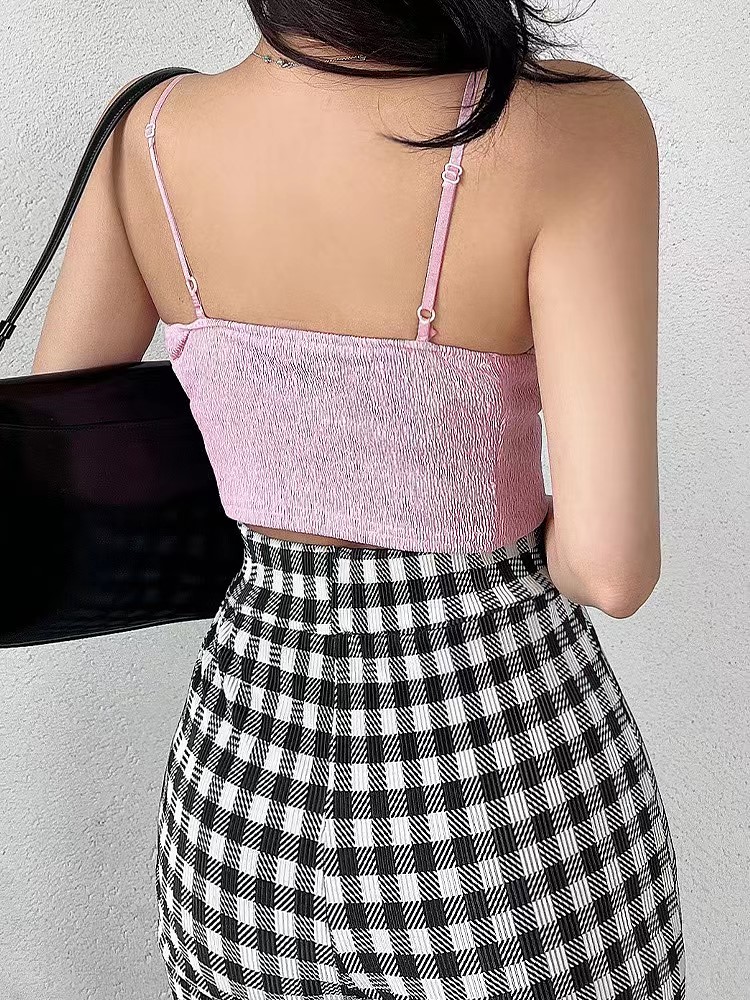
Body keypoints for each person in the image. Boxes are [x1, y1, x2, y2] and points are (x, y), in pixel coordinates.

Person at [32, 3, 686, 999]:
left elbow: (68, 454)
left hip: (243, 796)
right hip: (499, 789)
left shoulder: (148, 136)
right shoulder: (577, 124)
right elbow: (610, 567)